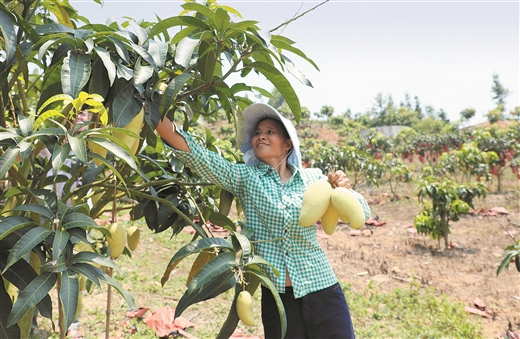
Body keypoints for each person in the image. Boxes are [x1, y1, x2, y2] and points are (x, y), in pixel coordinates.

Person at [156, 103, 371, 339]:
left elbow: (362, 214)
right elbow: (199, 157)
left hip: (322, 287)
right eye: (257, 133)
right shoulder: (246, 178)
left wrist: (344, 188)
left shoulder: (313, 178)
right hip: (278, 298)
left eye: (270, 131)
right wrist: (152, 114)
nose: (261, 136)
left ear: (287, 143)